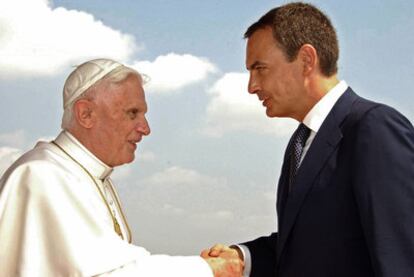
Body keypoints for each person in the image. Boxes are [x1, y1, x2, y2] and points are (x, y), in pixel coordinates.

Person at [203, 2, 414, 276]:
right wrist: (243, 258)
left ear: (306, 60)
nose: (251, 86)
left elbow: (401, 257)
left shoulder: (374, 128)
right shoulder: (299, 144)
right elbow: (310, 247)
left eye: (260, 68)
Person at [0, 58, 243, 276]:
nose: (145, 128)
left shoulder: (87, 175)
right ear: (86, 114)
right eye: (132, 113)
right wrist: (205, 270)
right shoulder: (42, 176)